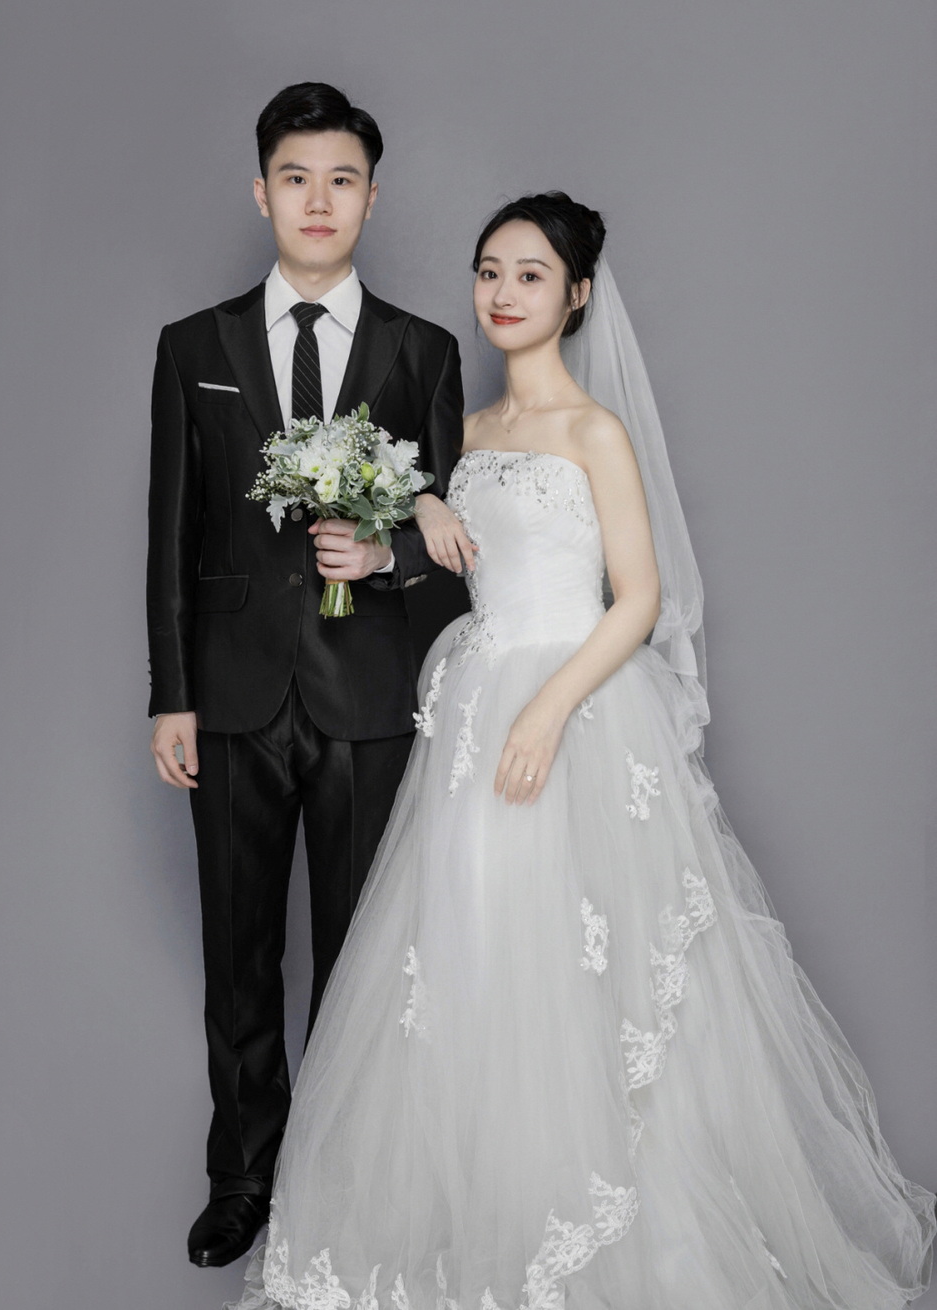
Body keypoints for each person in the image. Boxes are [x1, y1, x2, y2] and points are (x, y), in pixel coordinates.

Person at [229, 192, 935, 1309]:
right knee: (474, 955)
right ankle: (496, 1219)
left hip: (576, 707)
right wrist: (383, 547)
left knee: (586, 968)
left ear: (576, 294)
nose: (502, 293)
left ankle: (611, 1234)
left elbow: (638, 596)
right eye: (487, 272)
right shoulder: (463, 433)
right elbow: (453, 564)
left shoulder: (595, 432)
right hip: (473, 710)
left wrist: (548, 709)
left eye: (528, 275)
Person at [146, 82, 463, 1269]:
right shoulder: (194, 346)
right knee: (237, 952)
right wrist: (170, 692)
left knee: (360, 954)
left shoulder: (422, 350)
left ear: (372, 198)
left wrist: (386, 559)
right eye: (295, 177)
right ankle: (242, 1174)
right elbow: (170, 534)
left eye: (341, 180)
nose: (317, 200)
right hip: (231, 695)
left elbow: (458, 549)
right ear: (260, 192)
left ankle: (344, 1175)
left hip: (370, 695)